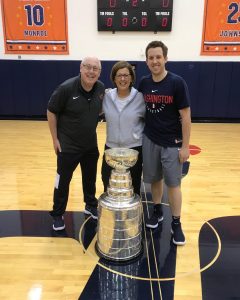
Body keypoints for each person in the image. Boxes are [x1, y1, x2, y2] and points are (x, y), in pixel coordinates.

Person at [138, 41, 191, 245]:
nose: (154, 61)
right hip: (150, 138)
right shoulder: (143, 83)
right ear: (146, 61)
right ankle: (157, 210)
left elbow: (186, 117)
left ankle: (176, 224)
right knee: (153, 179)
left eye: (158, 57)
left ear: (165, 58)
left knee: (174, 184)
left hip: (171, 142)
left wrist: (185, 146)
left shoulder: (177, 83)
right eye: (151, 57)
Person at [47, 57, 105, 231]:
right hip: (67, 147)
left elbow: (100, 109)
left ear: (99, 72)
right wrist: (55, 139)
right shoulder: (66, 88)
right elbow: (51, 111)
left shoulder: (101, 88)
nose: (91, 71)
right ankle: (57, 214)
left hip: (89, 145)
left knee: (90, 179)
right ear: (81, 68)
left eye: (95, 69)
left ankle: (90, 205)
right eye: (88, 67)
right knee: (62, 182)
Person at [101, 61, 145, 196]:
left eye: (126, 75)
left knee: (132, 186)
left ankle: (133, 215)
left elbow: (152, 119)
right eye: (119, 75)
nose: (123, 79)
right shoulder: (107, 96)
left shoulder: (140, 97)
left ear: (131, 77)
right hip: (111, 149)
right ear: (114, 78)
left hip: (133, 149)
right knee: (108, 183)